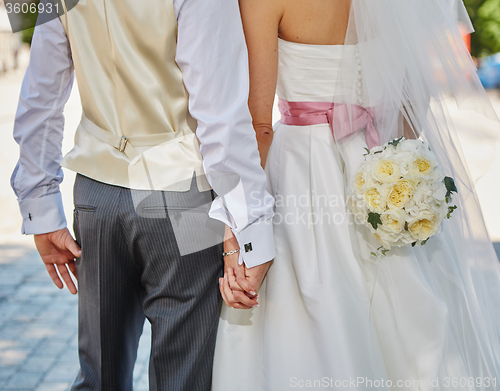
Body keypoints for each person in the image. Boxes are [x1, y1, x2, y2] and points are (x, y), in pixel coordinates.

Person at [214, 0, 500, 389]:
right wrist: (393, 174)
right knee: (404, 313)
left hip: (301, 168)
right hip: (381, 163)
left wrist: (238, 234)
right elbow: (413, 103)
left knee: (308, 315)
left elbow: (259, 125)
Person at [11, 0, 275, 389]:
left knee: (100, 375)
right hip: (183, 195)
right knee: (181, 377)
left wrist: (40, 210)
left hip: (96, 194)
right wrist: (251, 231)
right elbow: (221, 119)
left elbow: (40, 99)